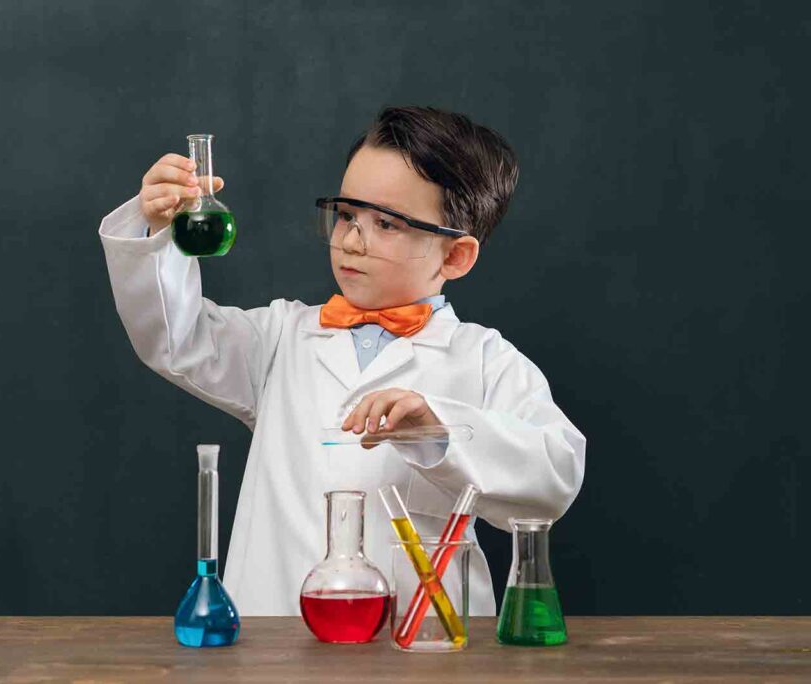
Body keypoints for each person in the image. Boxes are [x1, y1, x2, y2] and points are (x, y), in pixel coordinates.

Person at [98, 106, 586, 616]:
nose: (351, 241)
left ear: (454, 256)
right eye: (348, 215)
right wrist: (156, 229)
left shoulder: (483, 359)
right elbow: (172, 337)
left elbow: (556, 476)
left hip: (422, 636)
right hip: (277, 628)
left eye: (387, 224)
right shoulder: (281, 339)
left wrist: (441, 431)